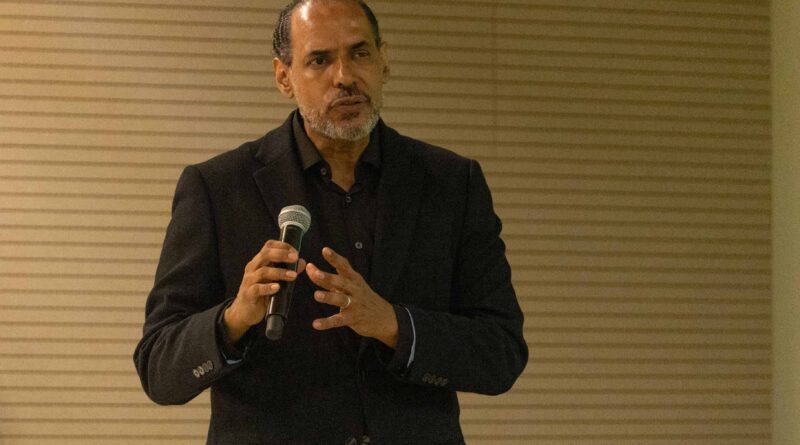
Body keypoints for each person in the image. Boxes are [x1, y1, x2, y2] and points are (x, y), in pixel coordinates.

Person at [133, 0, 528, 443]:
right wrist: (235, 318)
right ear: (284, 77)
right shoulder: (218, 188)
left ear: (384, 60)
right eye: (319, 60)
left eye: (360, 53)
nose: (344, 76)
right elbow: (159, 369)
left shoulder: (452, 183)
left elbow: (502, 353)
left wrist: (394, 325)